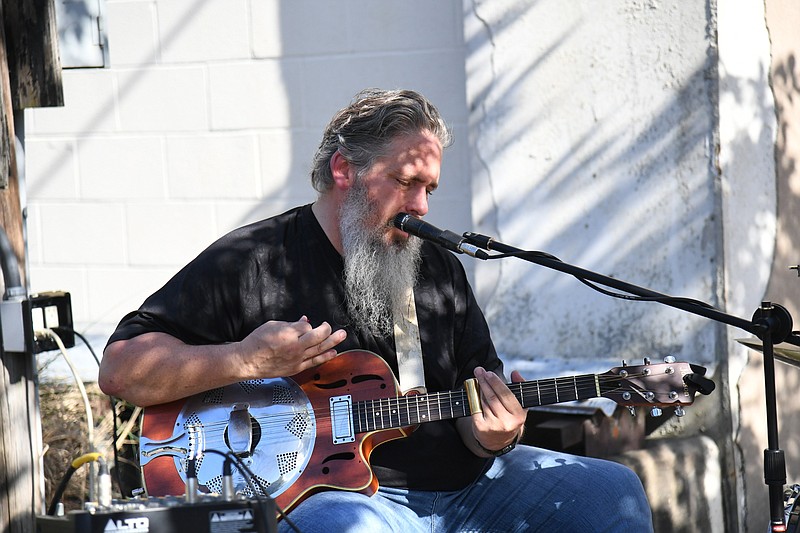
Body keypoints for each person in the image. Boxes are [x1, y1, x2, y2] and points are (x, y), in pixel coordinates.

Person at [99, 88, 653, 532]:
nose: (421, 207)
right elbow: (121, 371)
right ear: (345, 170)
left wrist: (495, 434)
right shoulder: (254, 260)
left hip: (467, 490)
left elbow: (474, 408)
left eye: (429, 189)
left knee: (613, 494)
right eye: (405, 183)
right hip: (341, 500)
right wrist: (245, 360)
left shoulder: (435, 269)